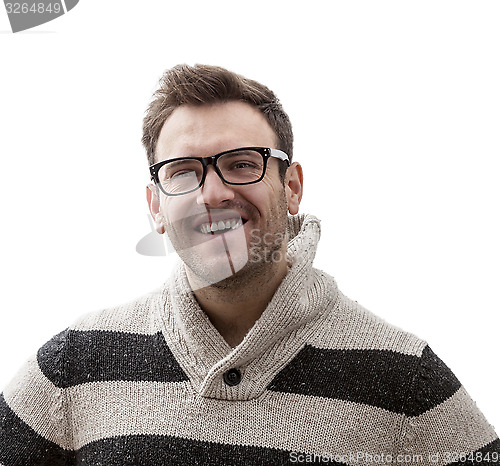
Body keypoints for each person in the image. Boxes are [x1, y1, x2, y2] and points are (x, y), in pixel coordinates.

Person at [0, 64, 498, 465]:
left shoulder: (404, 378)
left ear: (293, 186)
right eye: (184, 172)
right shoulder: (73, 366)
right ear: (155, 206)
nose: (212, 194)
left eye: (241, 164)